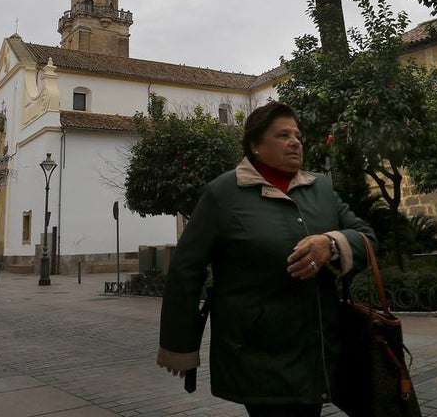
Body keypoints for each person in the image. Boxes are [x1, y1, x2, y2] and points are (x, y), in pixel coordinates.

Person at [157, 101, 375, 416]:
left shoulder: (321, 188)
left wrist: (332, 243)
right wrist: (180, 346)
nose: (295, 141)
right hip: (257, 354)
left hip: (318, 347)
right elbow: (185, 268)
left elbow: (367, 237)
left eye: (297, 135)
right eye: (282, 135)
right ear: (256, 145)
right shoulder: (223, 194)